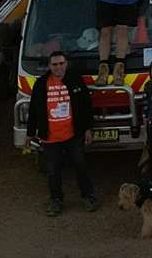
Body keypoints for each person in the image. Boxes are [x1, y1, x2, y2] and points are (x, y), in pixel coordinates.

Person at [26, 50, 98, 216]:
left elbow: (86, 106)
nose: (58, 67)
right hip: (50, 138)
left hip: (73, 135)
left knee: (81, 166)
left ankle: (88, 196)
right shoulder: (41, 84)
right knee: (52, 171)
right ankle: (56, 200)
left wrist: (88, 128)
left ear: (66, 64)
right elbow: (34, 110)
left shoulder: (75, 80)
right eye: (54, 64)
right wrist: (30, 133)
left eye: (61, 63)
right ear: (49, 66)